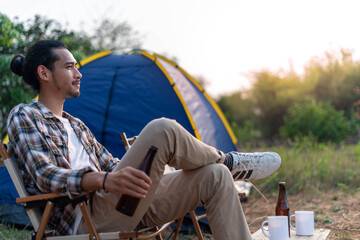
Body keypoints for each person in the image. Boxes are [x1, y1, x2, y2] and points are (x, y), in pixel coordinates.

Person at [7, 40, 281, 239]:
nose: (79, 74)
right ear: (44, 73)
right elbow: (47, 176)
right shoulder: (25, 116)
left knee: (215, 175)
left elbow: (110, 164)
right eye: (69, 67)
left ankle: (226, 165)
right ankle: (232, 161)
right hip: (86, 216)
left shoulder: (75, 125)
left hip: (125, 204)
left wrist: (149, 160)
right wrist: (104, 180)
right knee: (162, 128)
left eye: (77, 67)